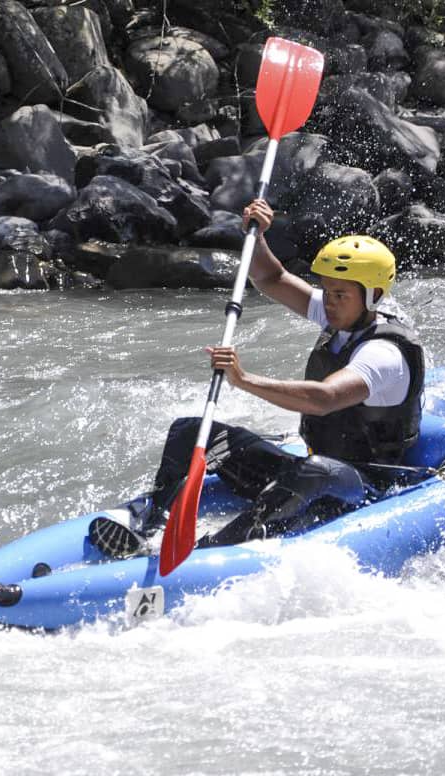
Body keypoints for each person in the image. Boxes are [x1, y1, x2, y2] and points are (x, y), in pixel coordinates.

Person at [89, 198, 426, 559]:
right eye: (326, 290)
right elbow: (271, 278)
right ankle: (150, 518)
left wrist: (245, 380)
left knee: (315, 470)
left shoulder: (385, 354)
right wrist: (257, 234)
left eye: (340, 294)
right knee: (189, 430)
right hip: (310, 470)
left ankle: (212, 550)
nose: (329, 302)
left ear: (373, 296)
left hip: (362, 486)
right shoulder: (338, 313)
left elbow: (325, 399)